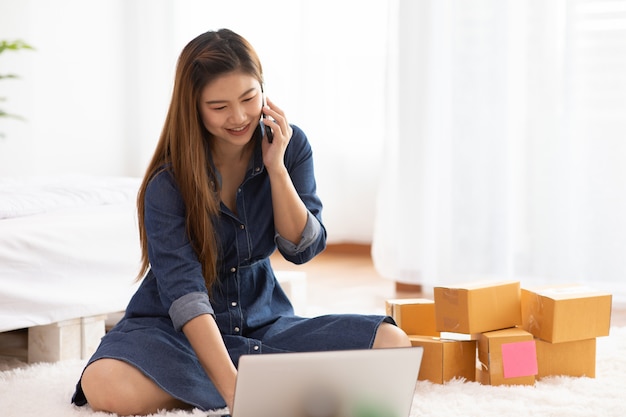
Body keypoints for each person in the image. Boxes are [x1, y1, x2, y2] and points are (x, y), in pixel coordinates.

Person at [71, 28, 410, 416]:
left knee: (391, 342)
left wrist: (277, 169)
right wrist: (237, 393)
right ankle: (255, 377)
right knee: (107, 385)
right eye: (219, 107)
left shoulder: (290, 144)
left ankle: (252, 376)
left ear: (263, 88)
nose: (239, 117)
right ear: (193, 107)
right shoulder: (167, 184)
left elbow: (302, 249)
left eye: (249, 98)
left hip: (262, 321)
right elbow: (185, 297)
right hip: (173, 331)